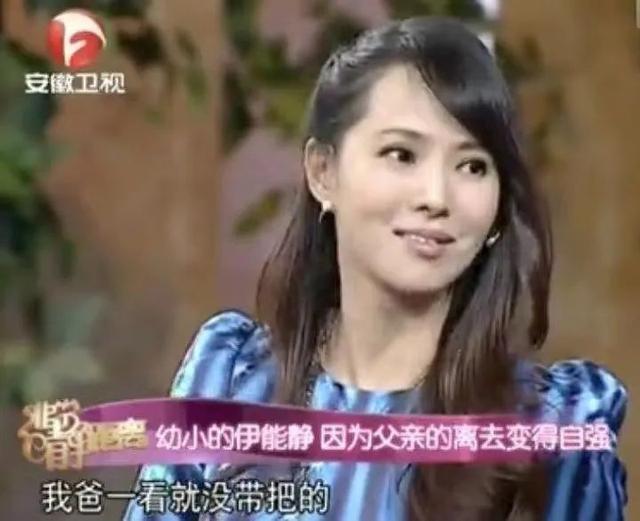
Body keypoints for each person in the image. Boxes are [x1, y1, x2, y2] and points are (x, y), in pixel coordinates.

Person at [123, 16, 627, 521]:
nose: (436, 197)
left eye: (473, 165)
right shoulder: (229, 378)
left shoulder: (552, 429)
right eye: (401, 154)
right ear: (323, 172)